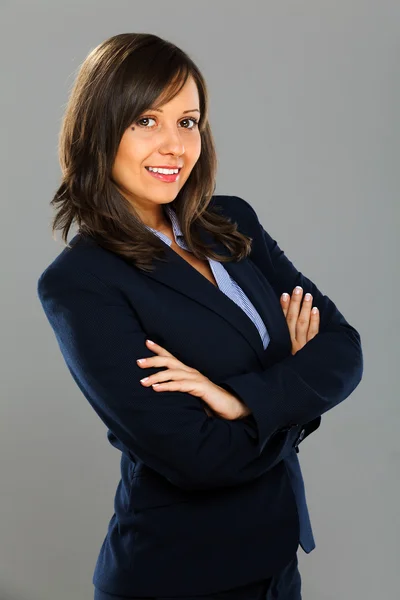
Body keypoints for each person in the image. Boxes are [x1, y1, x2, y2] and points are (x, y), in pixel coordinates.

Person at [37, 32, 363, 600]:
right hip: (178, 577)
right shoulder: (80, 282)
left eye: (188, 122)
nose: (173, 146)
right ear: (98, 129)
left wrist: (239, 401)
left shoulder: (232, 224)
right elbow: (197, 458)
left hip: (276, 563)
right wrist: (292, 384)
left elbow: (344, 347)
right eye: (145, 120)